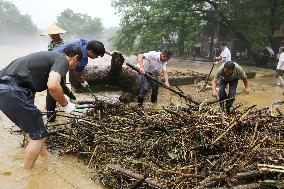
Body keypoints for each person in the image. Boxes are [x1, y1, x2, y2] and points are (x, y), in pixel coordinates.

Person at [0, 44, 83, 169]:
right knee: (39, 134)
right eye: (75, 64)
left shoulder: (49, 58)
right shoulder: (62, 60)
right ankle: (27, 176)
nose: (72, 67)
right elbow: (53, 86)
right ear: (74, 58)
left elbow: (60, 86)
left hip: (7, 89)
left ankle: (46, 159)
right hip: (13, 90)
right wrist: (66, 105)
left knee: (37, 130)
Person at [45, 38, 112, 121]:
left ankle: (61, 102)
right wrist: (83, 81)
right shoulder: (83, 59)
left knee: (60, 85)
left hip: (50, 55)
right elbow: (77, 74)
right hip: (55, 63)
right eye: (97, 55)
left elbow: (97, 45)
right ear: (91, 51)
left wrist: (110, 53)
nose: (96, 57)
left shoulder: (83, 42)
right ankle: (51, 115)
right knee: (54, 86)